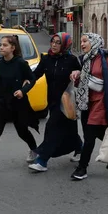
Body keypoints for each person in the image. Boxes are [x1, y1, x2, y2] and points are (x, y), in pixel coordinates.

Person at [0, 35, 39, 176]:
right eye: (0, 45)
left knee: (22, 131)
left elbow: (32, 79)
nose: (1, 47)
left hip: (17, 104)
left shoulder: (20, 63)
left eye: (5, 45)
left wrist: (22, 91)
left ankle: (35, 150)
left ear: (13, 48)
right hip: (1, 104)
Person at [69, 33, 108, 180]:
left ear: (94, 42)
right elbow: (82, 82)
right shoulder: (84, 59)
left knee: (89, 136)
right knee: (100, 133)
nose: (82, 44)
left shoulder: (107, 59)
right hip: (86, 102)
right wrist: (76, 75)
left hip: (101, 101)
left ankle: (82, 168)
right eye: (81, 41)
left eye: (85, 41)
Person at [27, 33, 82, 172]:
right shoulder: (46, 59)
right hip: (52, 101)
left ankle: (42, 160)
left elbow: (81, 77)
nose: (54, 45)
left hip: (67, 101)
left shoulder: (72, 60)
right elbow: (36, 74)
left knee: (52, 128)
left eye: (58, 42)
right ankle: (80, 149)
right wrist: (25, 83)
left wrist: (77, 74)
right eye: (53, 41)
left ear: (64, 45)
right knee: (70, 130)